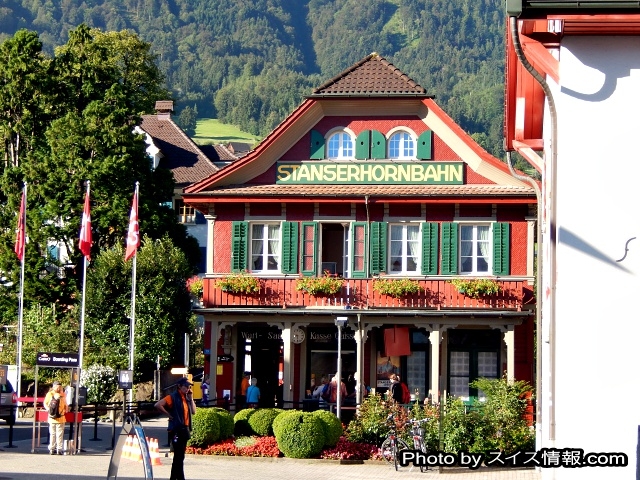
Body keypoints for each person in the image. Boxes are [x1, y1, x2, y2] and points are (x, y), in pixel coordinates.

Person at [155, 377, 197, 480]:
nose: (188, 388)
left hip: (184, 429)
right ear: (179, 386)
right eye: (186, 386)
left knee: (180, 456)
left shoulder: (186, 398)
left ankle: (174, 477)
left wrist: (191, 398)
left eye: (189, 387)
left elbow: (194, 411)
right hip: (176, 429)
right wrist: (168, 414)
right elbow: (158, 404)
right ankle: (180, 478)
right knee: (178, 455)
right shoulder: (173, 397)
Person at [43, 381, 68, 455]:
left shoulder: (50, 394)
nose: (59, 388)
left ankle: (52, 449)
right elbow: (66, 405)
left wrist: (49, 410)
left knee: (52, 434)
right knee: (59, 434)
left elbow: (45, 403)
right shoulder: (62, 394)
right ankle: (59, 449)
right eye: (59, 387)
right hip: (61, 417)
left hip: (52, 417)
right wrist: (65, 410)